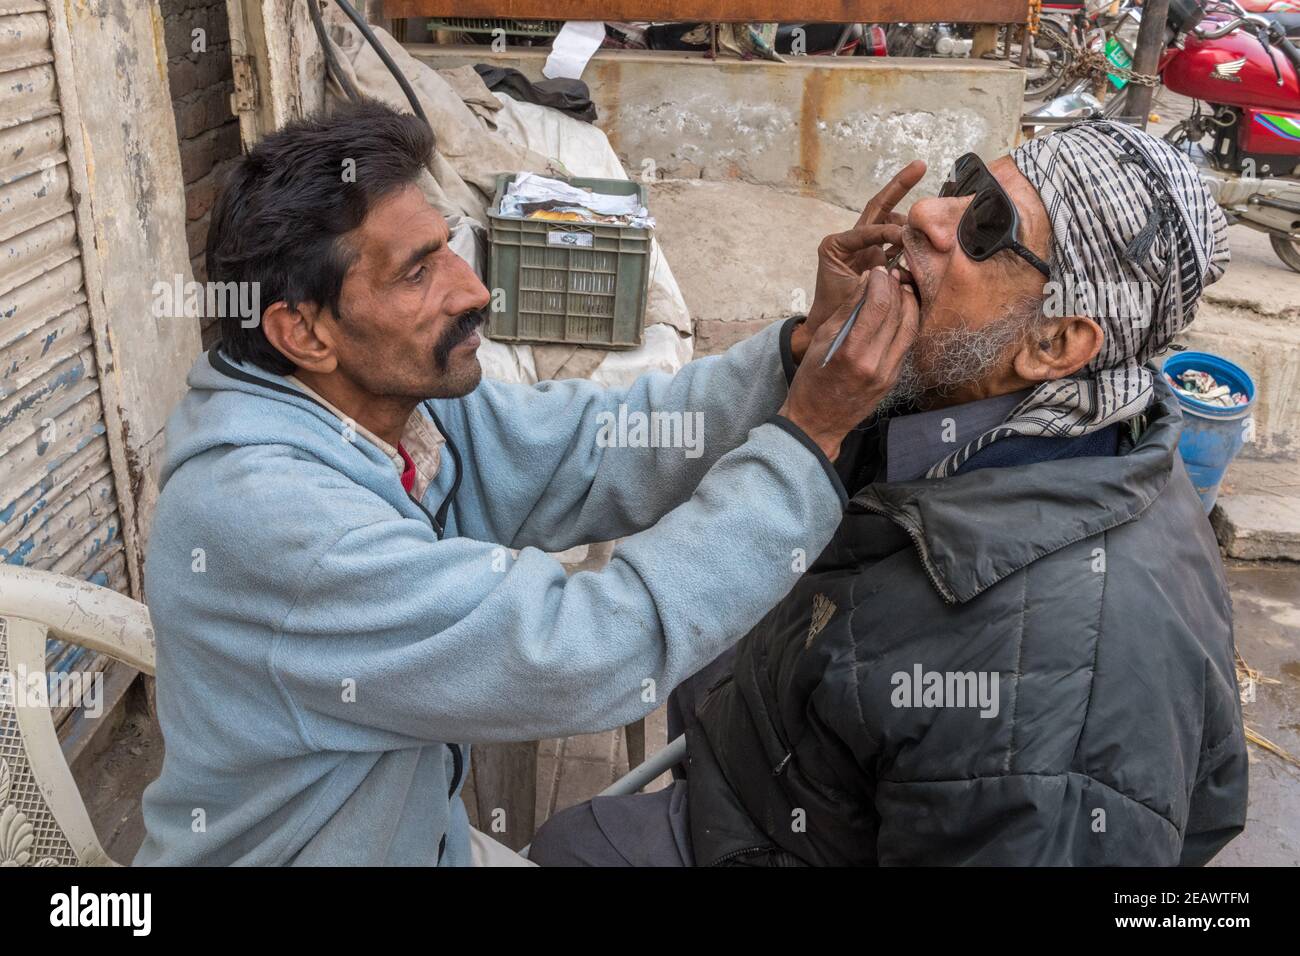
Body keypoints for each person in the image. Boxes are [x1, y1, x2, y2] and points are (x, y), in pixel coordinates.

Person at [133, 98, 921, 865]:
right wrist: (806, 436)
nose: (472, 291)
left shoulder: (393, 410)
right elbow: (585, 649)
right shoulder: (273, 521)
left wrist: (795, 351)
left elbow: (600, 446)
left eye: (448, 249)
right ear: (303, 331)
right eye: (417, 274)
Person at [529, 119, 1247, 867]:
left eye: (986, 226)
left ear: (1055, 344)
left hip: (790, 830)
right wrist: (817, 346)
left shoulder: (1056, 713)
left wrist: (814, 421)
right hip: (785, 761)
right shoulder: (965, 408)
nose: (929, 218)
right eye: (965, 183)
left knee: (571, 849)